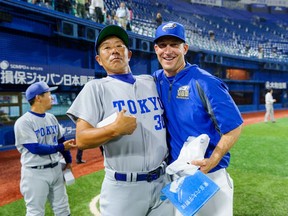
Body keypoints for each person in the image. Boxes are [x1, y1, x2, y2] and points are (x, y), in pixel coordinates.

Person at [66, 24, 174, 216]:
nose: (114, 50)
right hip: (124, 188)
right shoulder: (96, 88)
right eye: (107, 47)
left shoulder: (150, 82)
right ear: (99, 60)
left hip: (162, 181)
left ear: (129, 54)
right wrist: (114, 129)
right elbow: (82, 139)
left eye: (119, 46)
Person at [153, 21, 243, 216]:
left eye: (174, 45)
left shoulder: (205, 81)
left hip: (210, 176)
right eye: (162, 45)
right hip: (178, 178)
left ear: (185, 48)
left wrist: (213, 159)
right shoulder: (155, 80)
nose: (168, 51)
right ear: (156, 49)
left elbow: (234, 126)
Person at [14, 81, 76, 216]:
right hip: (35, 173)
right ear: (38, 98)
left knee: (63, 209)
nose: (52, 97)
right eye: (49, 93)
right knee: (35, 212)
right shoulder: (23, 122)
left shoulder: (51, 118)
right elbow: (35, 148)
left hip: (56, 168)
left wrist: (68, 161)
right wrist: (60, 147)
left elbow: (61, 140)